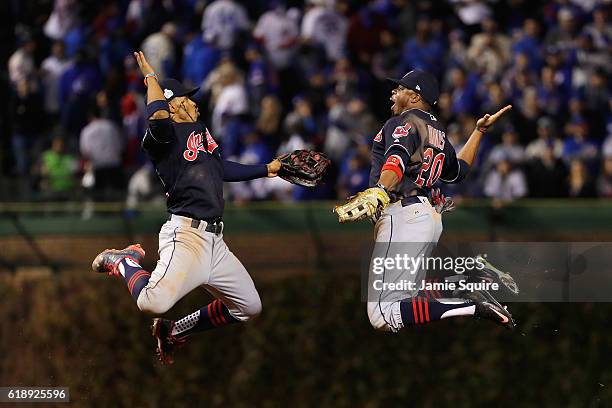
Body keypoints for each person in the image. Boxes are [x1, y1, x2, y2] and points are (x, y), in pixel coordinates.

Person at [91, 51, 282, 364]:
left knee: (249, 307)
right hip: (186, 236)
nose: (194, 102)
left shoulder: (201, 131)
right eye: (187, 98)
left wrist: (268, 168)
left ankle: (175, 330)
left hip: (215, 243)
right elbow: (156, 115)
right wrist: (151, 79)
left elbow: (221, 168)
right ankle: (122, 261)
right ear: (174, 103)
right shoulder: (161, 138)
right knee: (151, 301)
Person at [334, 69, 517, 332]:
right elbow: (459, 171)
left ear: (415, 96)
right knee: (407, 299)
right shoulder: (437, 132)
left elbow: (396, 158)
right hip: (425, 217)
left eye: (400, 88)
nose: (393, 93)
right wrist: (479, 132)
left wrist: (380, 190)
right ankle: (461, 283)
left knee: (383, 315)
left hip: (402, 215)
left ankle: (472, 303)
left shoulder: (403, 123)